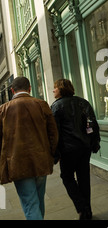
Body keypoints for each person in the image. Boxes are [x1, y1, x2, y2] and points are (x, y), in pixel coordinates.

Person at [0, 76, 59, 220]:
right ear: (30, 88)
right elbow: (53, 134)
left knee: (30, 204)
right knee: (38, 201)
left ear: (12, 90)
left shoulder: (3, 109)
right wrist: (51, 154)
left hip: (18, 163)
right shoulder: (41, 104)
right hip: (41, 160)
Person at [51, 79, 100, 220]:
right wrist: (94, 141)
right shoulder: (82, 102)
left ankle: (82, 208)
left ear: (61, 89)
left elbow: (55, 132)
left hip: (68, 150)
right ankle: (87, 212)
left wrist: (56, 153)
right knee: (84, 178)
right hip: (84, 147)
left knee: (67, 177)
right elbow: (93, 124)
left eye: (55, 88)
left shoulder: (56, 106)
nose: (53, 90)